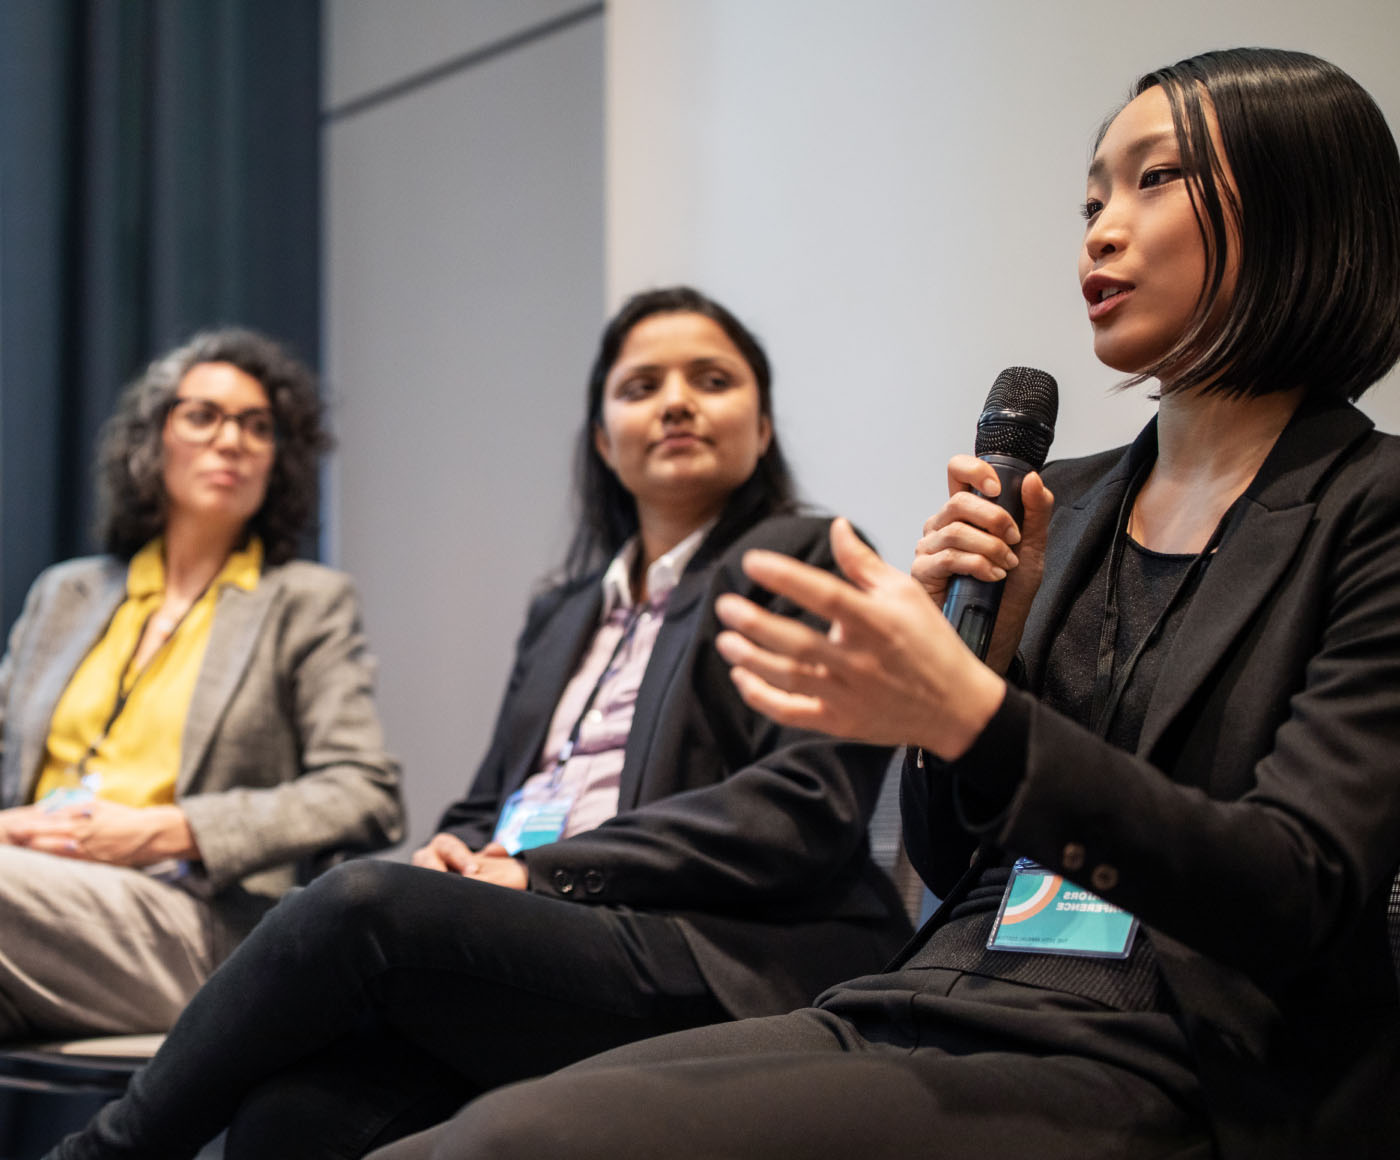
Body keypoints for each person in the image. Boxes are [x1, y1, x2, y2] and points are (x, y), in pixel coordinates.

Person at [360, 48, 1400, 1160]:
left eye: (1155, 179)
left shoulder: (1367, 506)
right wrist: (973, 677)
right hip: (942, 989)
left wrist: (971, 710)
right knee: (421, 1138)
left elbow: (1297, 890)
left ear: (1301, 203)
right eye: (1091, 196)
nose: (1099, 229)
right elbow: (956, 861)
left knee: (508, 1147)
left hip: (1170, 1049)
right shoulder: (1075, 495)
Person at [50, 286, 911, 1159]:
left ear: (761, 428)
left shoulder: (812, 561)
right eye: (641, 385)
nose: (677, 401)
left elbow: (802, 807)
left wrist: (540, 871)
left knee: (358, 902)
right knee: (292, 1116)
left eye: (712, 379)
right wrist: (455, 854)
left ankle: (102, 1154)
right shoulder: (565, 612)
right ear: (605, 442)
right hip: (562, 943)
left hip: (720, 954)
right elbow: (489, 804)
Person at [0, 328, 404, 1042]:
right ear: (152, 440)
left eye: (257, 427)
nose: (233, 441)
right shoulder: (66, 595)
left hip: (191, 921)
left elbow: (364, 791)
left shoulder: (304, 601)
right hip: (27, 895)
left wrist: (172, 830)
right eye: (204, 416)